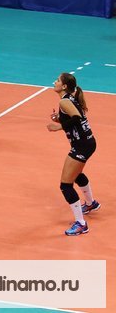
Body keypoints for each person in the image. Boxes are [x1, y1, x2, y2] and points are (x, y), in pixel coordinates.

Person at [46, 73, 99, 236]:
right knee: (76, 174)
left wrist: (58, 127)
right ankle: (91, 203)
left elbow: (76, 118)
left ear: (64, 86)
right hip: (87, 143)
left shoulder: (64, 101)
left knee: (65, 185)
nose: (54, 82)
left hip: (82, 145)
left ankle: (81, 224)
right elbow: (75, 118)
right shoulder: (70, 98)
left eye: (57, 80)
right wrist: (59, 119)